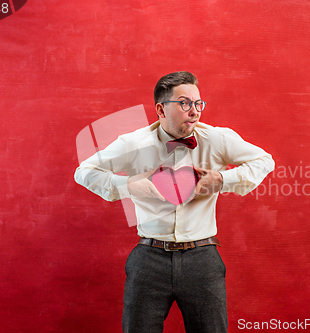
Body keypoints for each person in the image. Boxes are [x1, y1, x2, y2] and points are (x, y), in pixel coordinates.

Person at [74, 71, 274, 333]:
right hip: (148, 259)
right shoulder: (133, 143)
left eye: (198, 103)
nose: (194, 111)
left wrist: (223, 180)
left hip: (202, 259)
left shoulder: (217, 139)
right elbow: (84, 171)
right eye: (184, 103)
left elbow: (264, 160)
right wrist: (128, 185)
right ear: (161, 109)